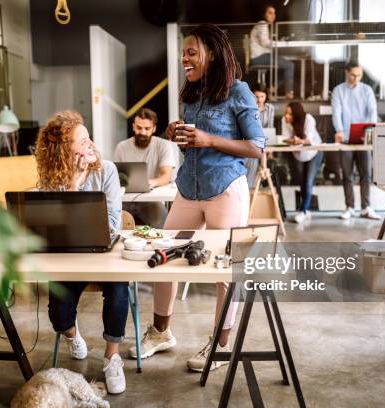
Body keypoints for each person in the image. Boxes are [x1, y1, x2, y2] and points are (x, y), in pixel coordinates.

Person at [129, 23, 265, 372]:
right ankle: (161, 332)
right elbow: (191, 140)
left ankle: (220, 345)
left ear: (213, 53)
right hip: (188, 189)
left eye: (191, 52)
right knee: (164, 256)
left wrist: (209, 140)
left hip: (225, 189)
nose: (184, 58)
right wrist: (173, 132)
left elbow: (256, 147)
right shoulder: (191, 94)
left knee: (224, 269)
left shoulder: (239, 92)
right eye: (183, 53)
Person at [35, 111, 128, 394]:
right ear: (64, 150)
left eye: (89, 138)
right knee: (59, 316)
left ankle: (112, 356)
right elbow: (53, 230)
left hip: (103, 254)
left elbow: (112, 225)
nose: (91, 145)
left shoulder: (107, 171)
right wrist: (74, 184)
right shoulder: (51, 178)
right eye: (83, 140)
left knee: (119, 291)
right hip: (68, 256)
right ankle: (72, 335)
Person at [331, 62, 380, 220]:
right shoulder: (339, 90)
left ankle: (366, 207)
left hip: (363, 138)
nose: (356, 78)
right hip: (345, 138)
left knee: (366, 173)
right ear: (347, 73)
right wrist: (338, 130)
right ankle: (350, 207)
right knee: (347, 174)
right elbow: (336, 111)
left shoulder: (367, 90)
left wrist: (371, 129)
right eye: (353, 75)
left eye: (359, 75)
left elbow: (372, 111)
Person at [113, 108, 177, 228]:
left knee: (164, 228)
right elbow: (116, 176)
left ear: (154, 128)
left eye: (147, 128)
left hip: (151, 201)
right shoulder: (121, 147)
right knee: (113, 223)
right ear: (133, 127)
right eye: (139, 127)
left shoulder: (164, 145)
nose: (142, 132)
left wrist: (149, 183)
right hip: (125, 200)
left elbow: (166, 176)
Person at [281, 102, 323, 223]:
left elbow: (309, 139)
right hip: (298, 154)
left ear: (297, 115)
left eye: (290, 114)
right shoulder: (285, 120)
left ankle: (303, 210)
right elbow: (285, 137)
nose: (287, 116)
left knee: (308, 181)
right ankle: (306, 209)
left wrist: (299, 140)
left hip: (314, 152)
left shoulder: (308, 119)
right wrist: (292, 140)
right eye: (286, 113)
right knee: (301, 181)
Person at [249, 4, 294, 99]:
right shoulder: (262, 24)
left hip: (261, 56)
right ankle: (288, 92)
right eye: (270, 13)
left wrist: (278, 42)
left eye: (274, 13)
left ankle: (272, 88)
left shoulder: (264, 25)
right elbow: (265, 42)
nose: (273, 15)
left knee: (286, 65)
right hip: (259, 57)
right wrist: (279, 43)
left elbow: (265, 42)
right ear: (264, 14)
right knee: (289, 65)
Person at [245, 83, 275, 187]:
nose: (259, 100)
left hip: (265, 142)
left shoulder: (270, 108)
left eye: (262, 97)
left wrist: (270, 148)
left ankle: (256, 192)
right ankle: (250, 191)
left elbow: (270, 128)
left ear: (266, 96)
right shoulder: (248, 107)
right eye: (256, 97)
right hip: (252, 143)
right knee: (251, 169)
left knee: (262, 171)